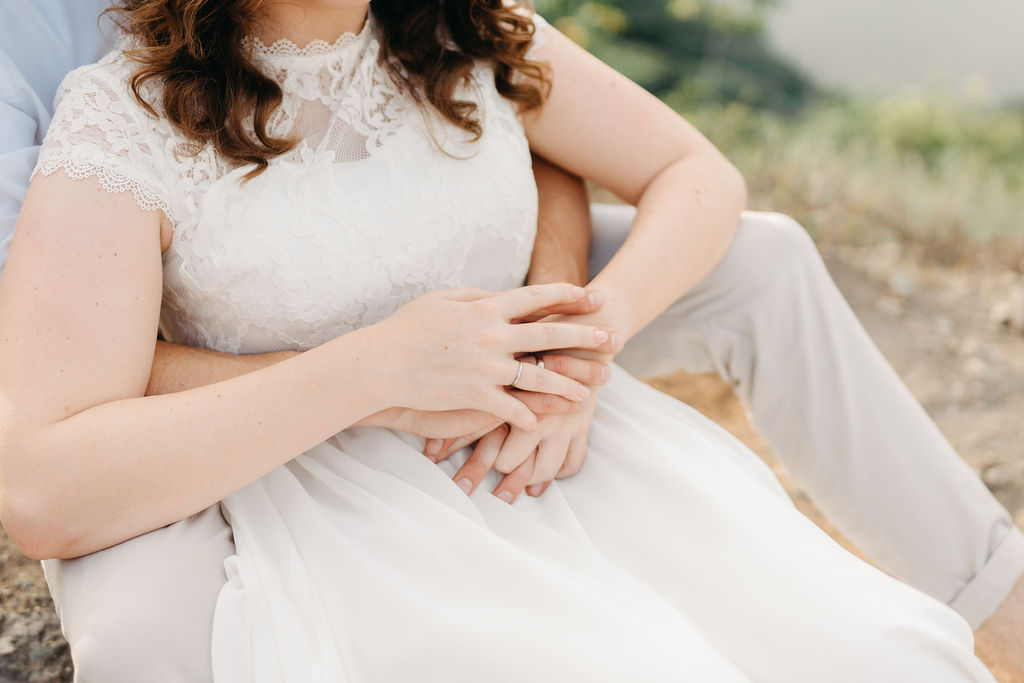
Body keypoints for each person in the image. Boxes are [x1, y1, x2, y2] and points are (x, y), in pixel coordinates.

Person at [0, 1, 1016, 681]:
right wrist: (376, 369)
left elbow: (693, 172)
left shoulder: (465, 29)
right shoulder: (125, 118)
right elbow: (40, 479)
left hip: (557, 447)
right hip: (330, 501)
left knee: (860, 648)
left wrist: (585, 336)